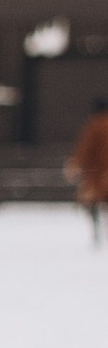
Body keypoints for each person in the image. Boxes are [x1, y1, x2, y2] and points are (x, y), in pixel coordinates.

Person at [69, 99, 108, 244]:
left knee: (92, 203)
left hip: (97, 175)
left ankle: (97, 230)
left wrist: (75, 166)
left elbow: (85, 149)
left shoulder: (94, 127)